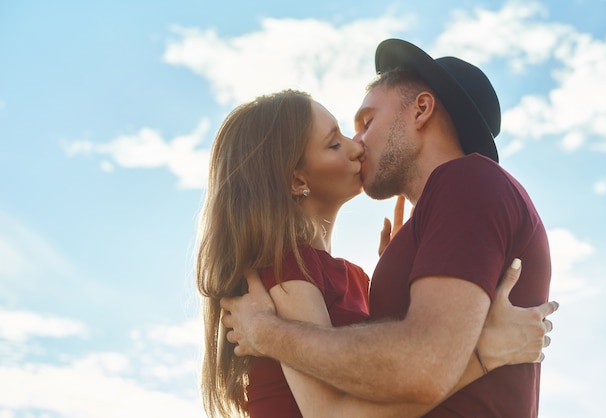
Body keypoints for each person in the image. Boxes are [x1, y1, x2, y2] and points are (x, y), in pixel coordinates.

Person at [220, 38, 557, 417]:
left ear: (421, 110)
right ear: (296, 179)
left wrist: (264, 332)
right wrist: (409, 263)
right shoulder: (299, 267)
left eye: (366, 122)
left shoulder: (466, 179)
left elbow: (423, 366)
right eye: (337, 141)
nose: (358, 144)